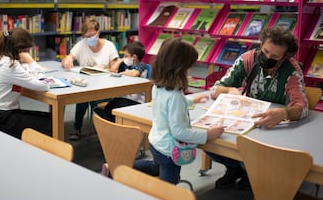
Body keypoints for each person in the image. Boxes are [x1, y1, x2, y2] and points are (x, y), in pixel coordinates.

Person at [209, 26, 308, 190]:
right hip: (246, 120)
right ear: (261, 45)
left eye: (275, 56)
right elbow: (214, 90)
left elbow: (302, 107)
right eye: (266, 51)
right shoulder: (248, 59)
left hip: (273, 127)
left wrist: (284, 113)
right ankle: (236, 168)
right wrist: (229, 90)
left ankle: (252, 172)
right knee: (209, 139)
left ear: (285, 57)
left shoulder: (292, 71)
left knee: (263, 149)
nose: (268, 57)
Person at [134, 37, 224, 184]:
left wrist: (190, 101)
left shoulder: (159, 86)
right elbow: (179, 132)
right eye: (189, 67)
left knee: (156, 165)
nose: (190, 71)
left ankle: (118, 165)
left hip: (157, 142)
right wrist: (207, 134)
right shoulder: (175, 96)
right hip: (170, 151)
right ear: (180, 68)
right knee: (168, 189)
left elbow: (167, 106)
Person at [0, 28, 52, 139]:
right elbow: (43, 86)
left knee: (50, 118)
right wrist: (31, 61)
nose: (27, 53)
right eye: (26, 51)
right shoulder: (11, 65)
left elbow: (16, 75)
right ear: (19, 50)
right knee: (52, 122)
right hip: (3, 119)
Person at [61, 17, 119, 140]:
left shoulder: (109, 46)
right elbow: (68, 57)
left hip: (104, 85)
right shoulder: (81, 44)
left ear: (98, 32)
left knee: (93, 101)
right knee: (81, 98)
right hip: (86, 84)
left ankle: (107, 129)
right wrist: (68, 59)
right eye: (86, 37)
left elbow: (114, 68)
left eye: (91, 35)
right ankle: (77, 128)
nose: (89, 39)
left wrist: (104, 70)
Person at [96, 41, 149, 122]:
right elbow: (112, 70)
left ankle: (116, 126)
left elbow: (135, 73)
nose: (124, 58)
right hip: (123, 96)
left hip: (136, 100)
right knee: (108, 108)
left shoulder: (142, 65)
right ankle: (111, 126)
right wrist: (120, 61)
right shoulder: (125, 65)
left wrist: (122, 73)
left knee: (113, 110)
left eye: (126, 56)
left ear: (133, 57)